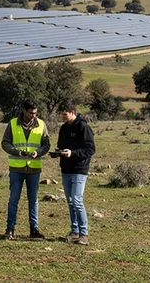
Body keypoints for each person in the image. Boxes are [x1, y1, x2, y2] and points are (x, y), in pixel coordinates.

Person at [2, 100, 51, 240]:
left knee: (33, 200)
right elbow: (5, 143)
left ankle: (34, 229)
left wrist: (38, 152)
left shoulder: (41, 124)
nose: (33, 116)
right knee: (14, 199)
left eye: (35, 113)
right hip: (16, 168)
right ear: (24, 110)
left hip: (34, 169)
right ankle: (10, 229)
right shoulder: (12, 124)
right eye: (31, 113)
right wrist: (17, 152)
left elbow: (46, 144)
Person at [55, 100, 95, 245]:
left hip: (79, 169)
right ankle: (74, 231)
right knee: (71, 202)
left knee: (77, 201)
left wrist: (72, 153)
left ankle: (84, 234)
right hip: (66, 169)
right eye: (61, 115)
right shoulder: (64, 128)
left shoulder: (83, 127)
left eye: (65, 114)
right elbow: (61, 145)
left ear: (72, 112)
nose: (62, 117)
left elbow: (90, 149)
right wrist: (58, 152)